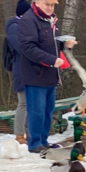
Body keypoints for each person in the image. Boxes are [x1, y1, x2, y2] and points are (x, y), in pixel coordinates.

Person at [18, 0, 77, 153]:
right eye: (47, 4)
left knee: (47, 111)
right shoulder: (28, 20)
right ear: (36, 3)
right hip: (35, 75)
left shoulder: (52, 20)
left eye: (52, 5)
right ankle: (35, 143)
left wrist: (65, 46)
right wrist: (51, 60)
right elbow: (28, 48)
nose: (50, 8)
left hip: (51, 75)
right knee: (36, 111)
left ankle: (43, 140)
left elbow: (52, 44)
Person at [5, 0, 31, 144]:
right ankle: (20, 134)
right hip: (21, 69)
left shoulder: (24, 25)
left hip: (28, 69)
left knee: (29, 103)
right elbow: (21, 47)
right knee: (23, 103)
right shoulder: (14, 27)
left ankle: (27, 133)